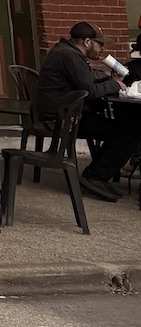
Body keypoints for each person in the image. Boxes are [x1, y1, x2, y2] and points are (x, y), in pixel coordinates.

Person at [35, 21, 141, 201]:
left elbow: (87, 82)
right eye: (100, 44)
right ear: (86, 42)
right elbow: (89, 91)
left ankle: (99, 174)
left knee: (125, 127)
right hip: (62, 119)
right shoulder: (70, 56)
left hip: (65, 114)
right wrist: (115, 84)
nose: (102, 48)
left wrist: (110, 81)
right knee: (130, 131)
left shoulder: (66, 52)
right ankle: (95, 177)